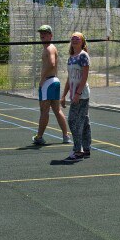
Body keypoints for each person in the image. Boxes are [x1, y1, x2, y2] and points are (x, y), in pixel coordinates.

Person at [32, 24, 70, 146]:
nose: (42, 35)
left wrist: (42, 79)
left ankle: (39, 137)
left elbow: (52, 64)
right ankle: (66, 136)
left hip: (48, 82)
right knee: (56, 110)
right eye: (41, 33)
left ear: (50, 35)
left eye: (45, 32)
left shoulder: (49, 48)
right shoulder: (48, 48)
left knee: (44, 111)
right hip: (53, 81)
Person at [61, 31, 91, 162]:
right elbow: (69, 78)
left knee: (74, 121)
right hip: (74, 95)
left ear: (82, 41)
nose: (74, 40)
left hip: (82, 95)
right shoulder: (71, 57)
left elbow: (84, 77)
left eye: (77, 38)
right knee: (84, 122)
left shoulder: (84, 56)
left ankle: (78, 150)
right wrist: (63, 95)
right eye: (72, 38)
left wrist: (78, 94)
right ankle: (86, 148)